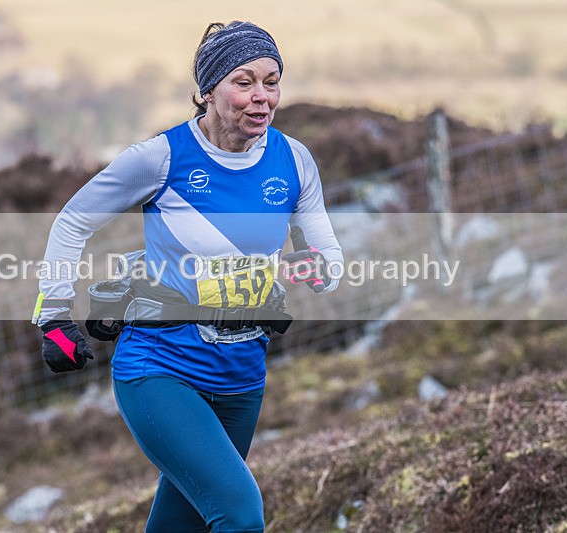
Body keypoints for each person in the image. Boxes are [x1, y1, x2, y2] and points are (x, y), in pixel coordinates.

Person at [35, 21, 343, 532]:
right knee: (240, 515)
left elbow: (329, 261)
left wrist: (311, 267)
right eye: (244, 82)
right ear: (207, 91)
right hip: (160, 366)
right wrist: (53, 316)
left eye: (271, 82)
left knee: (183, 524)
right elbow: (71, 222)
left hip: (243, 372)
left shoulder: (294, 159)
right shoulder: (161, 157)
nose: (262, 96)